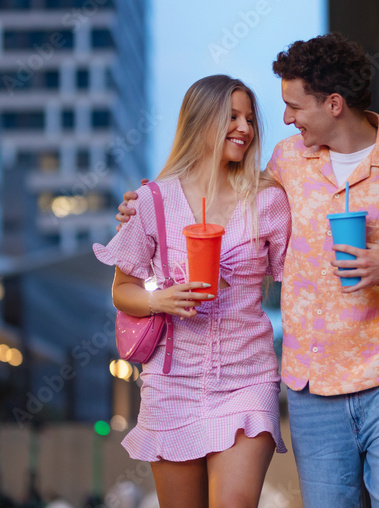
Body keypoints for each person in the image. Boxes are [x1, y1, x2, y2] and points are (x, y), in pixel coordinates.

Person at [118, 34, 379, 508]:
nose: (281, 119)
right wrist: (143, 206)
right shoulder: (289, 161)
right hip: (312, 385)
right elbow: (227, 187)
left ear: (332, 104)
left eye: (292, 106)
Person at [94, 75, 290, 508]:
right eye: (232, 117)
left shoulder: (268, 200)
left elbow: (299, 279)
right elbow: (122, 290)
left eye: (250, 119)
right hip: (172, 381)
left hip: (247, 376)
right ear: (201, 121)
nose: (245, 128)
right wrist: (157, 300)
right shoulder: (154, 201)